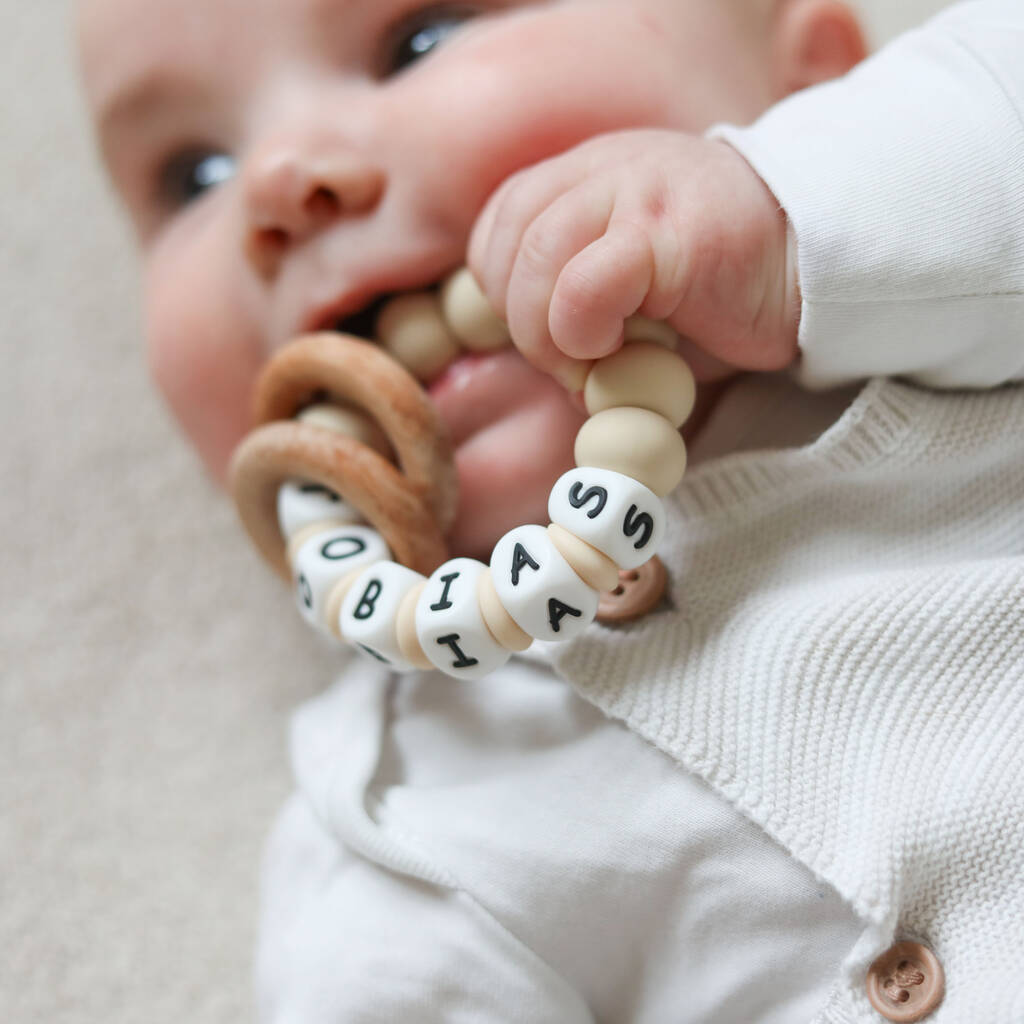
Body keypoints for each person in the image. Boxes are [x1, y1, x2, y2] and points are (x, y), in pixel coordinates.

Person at [77, 0, 1024, 1019]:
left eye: (418, 41)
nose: (278, 179)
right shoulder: (402, 819)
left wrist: (798, 207)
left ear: (812, 77)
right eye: (192, 176)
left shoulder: (946, 247)